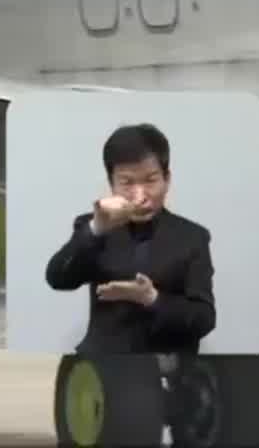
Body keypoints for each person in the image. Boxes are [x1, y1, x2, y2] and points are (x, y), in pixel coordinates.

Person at [44, 122, 215, 355]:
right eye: (127, 183)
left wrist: (151, 298)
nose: (140, 196)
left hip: (168, 369)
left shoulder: (192, 237)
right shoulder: (93, 228)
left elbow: (204, 319)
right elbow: (58, 278)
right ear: (111, 184)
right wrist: (95, 230)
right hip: (104, 366)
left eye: (150, 180)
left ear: (167, 179)